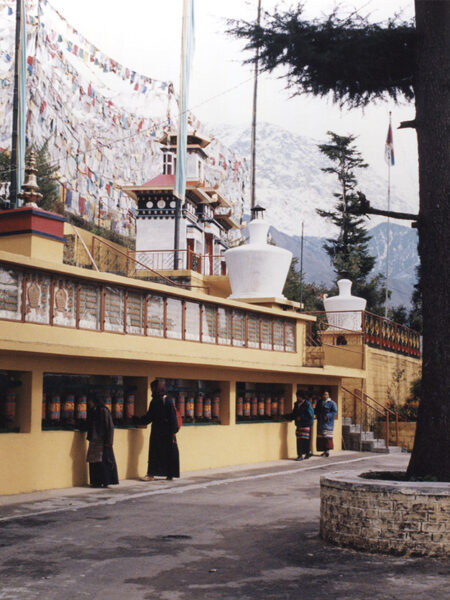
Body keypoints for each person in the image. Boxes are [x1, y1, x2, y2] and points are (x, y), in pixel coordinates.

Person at [134, 379, 180, 481]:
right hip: (159, 432)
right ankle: (156, 474)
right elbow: (149, 417)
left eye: (153, 388)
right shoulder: (155, 401)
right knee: (157, 453)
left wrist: (173, 432)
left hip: (165, 432)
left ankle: (163, 474)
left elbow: (172, 417)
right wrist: (136, 420)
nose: (152, 390)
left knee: (163, 453)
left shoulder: (166, 400)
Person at [86, 395, 119, 488]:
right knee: (94, 462)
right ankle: (96, 482)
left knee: (103, 462)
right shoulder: (93, 411)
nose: (89, 403)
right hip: (94, 440)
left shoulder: (103, 410)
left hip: (103, 440)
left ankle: (105, 481)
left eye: (90, 401)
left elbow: (110, 427)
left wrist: (109, 441)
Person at [290, 390, 314, 461]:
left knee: (305, 441)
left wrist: (301, 417)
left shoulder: (307, 404)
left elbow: (310, 415)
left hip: (306, 425)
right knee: (299, 440)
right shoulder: (296, 404)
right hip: (299, 425)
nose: (297, 398)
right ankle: (300, 455)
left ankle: (307, 453)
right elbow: (294, 413)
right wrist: (287, 417)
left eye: (298, 396)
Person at [314, 390, 338, 457]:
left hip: (328, 423)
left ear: (328, 395)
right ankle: (323, 451)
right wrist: (317, 415)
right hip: (320, 422)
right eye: (324, 394)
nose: (325, 396)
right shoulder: (320, 402)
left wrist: (327, 416)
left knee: (327, 437)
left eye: (326, 394)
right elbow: (316, 410)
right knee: (321, 437)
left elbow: (334, 412)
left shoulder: (332, 403)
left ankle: (327, 450)